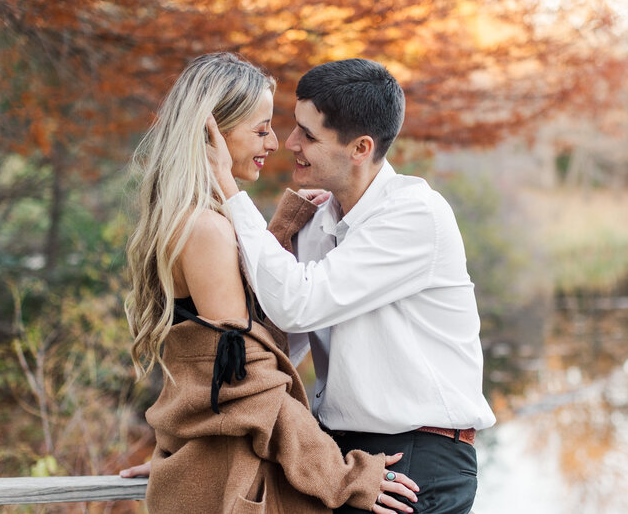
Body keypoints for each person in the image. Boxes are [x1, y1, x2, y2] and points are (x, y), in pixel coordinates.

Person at [122, 52, 418, 514]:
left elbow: (222, 355)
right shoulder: (207, 230)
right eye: (261, 129)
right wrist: (342, 478)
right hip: (228, 477)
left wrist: (182, 448)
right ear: (211, 134)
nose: (277, 142)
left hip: (214, 462)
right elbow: (247, 381)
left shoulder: (192, 220)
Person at [209, 58, 496, 514]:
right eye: (295, 126)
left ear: (360, 148)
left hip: (418, 460)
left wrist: (228, 189)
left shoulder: (415, 216)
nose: (291, 143)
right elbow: (282, 344)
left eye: (309, 135)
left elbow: (296, 305)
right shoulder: (319, 222)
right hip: (340, 457)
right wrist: (204, 446)